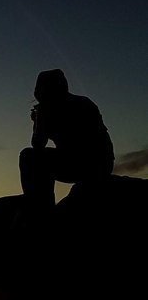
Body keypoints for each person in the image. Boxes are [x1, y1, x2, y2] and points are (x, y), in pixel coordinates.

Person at [20, 69, 114, 210]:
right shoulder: (83, 102)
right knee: (34, 158)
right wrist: (38, 122)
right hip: (96, 163)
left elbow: (37, 145)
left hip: (88, 163)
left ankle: (40, 208)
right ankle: (41, 205)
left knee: (29, 157)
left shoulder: (72, 106)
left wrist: (39, 122)